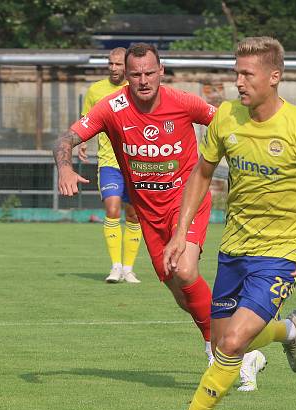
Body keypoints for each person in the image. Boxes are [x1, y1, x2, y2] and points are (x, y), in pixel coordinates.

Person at [158, 36, 296, 410]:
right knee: (222, 344)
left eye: (247, 74)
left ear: (274, 77)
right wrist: (180, 233)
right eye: (236, 73)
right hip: (234, 246)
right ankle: (290, 330)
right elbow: (201, 173)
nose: (238, 82)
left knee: (232, 345)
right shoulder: (226, 118)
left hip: (281, 252)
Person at [53, 43, 218, 363]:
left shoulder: (183, 102)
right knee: (182, 295)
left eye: (149, 73)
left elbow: (225, 124)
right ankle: (239, 332)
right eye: (136, 74)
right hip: (148, 212)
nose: (143, 80)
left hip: (186, 201)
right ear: (125, 76)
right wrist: (65, 166)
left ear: (161, 72)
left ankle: (221, 350)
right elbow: (66, 139)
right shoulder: (111, 107)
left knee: (186, 272)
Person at [77, 47, 144, 284]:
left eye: (119, 64)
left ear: (128, 66)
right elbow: (87, 120)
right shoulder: (96, 91)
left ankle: (129, 268)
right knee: (113, 209)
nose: (114, 68)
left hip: (136, 162)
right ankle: (115, 267)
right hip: (109, 162)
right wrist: (82, 142)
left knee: (134, 215)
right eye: (111, 64)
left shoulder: (137, 89)